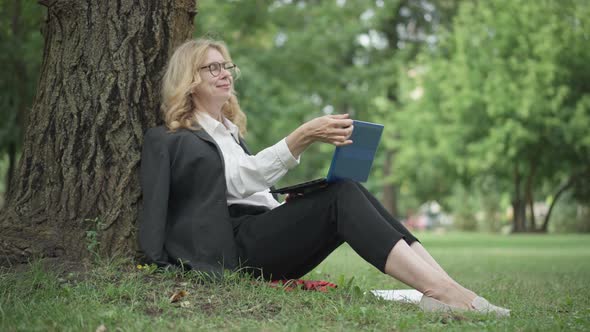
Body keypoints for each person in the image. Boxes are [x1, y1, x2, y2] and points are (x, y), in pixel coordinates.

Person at [139, 38, 510, 317]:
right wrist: (301, 138)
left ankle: (449, 289)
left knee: (345, 187)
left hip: (259, 233)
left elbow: (253, 191)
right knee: (341, 195)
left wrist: (286, 205)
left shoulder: (230, 134)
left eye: (226, 66)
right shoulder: (179, 137)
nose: (224, 74)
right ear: (189, 80)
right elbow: (235, 185)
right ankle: (443, 293)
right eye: (212, 68)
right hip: (234, 250)